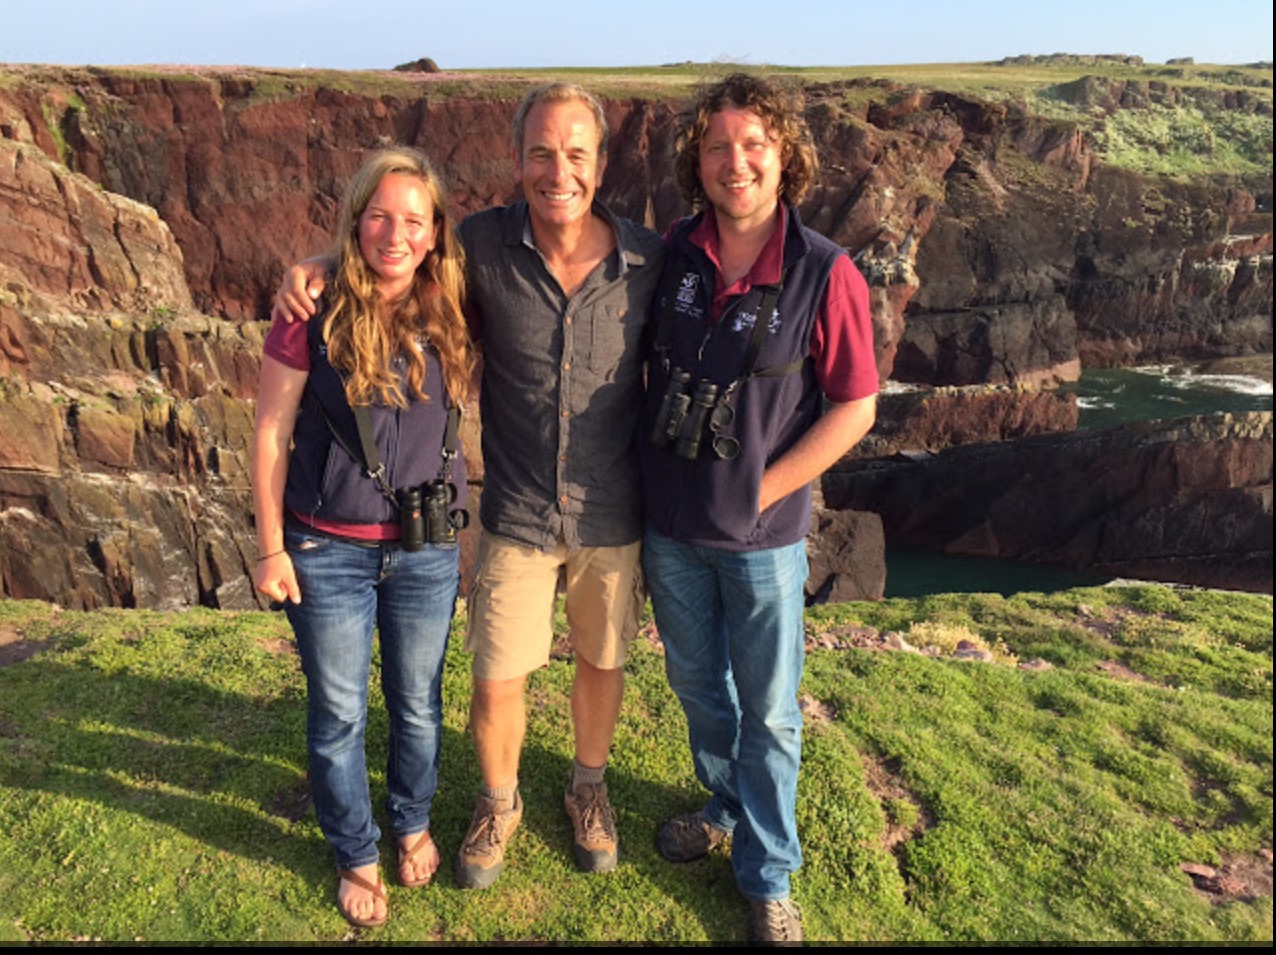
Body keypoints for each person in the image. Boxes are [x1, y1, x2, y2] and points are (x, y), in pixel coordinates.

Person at [272, 83, 664, 890]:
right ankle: (498, 800)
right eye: (543, 154)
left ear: (601, 163)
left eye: (578, 154)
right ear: (518, 160)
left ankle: (588, 786)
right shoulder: (481, 248)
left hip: (612, 505)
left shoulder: (648, 261)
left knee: (601, 657)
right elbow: (393, 248)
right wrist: (317, 264)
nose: (560, 172)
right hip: (516, 508)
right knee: (495, 675)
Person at [638, 73, 879, 944]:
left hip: (763, 537)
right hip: (668, 526)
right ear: (693, 162)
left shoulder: (825, 272)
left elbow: (856, 405)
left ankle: (771, 873)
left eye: (753, 145)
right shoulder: (673, 253)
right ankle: (729, 807)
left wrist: (765, 488)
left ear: (785, 156)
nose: (734, 162)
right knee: (700, 688)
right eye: (715, 147)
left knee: (771, 711)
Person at [252, 147, 474, 928]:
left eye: (414, 218)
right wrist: (271, 544)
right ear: (355, 220)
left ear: (436, 231)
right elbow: (272, 429)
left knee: (418, 704)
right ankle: (357, 849)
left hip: (425, 545)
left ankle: (411, 819)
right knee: (339, 710)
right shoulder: (309, 310)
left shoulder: (455, 303)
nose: (395, 232)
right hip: (326, 546)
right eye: (379, 214)